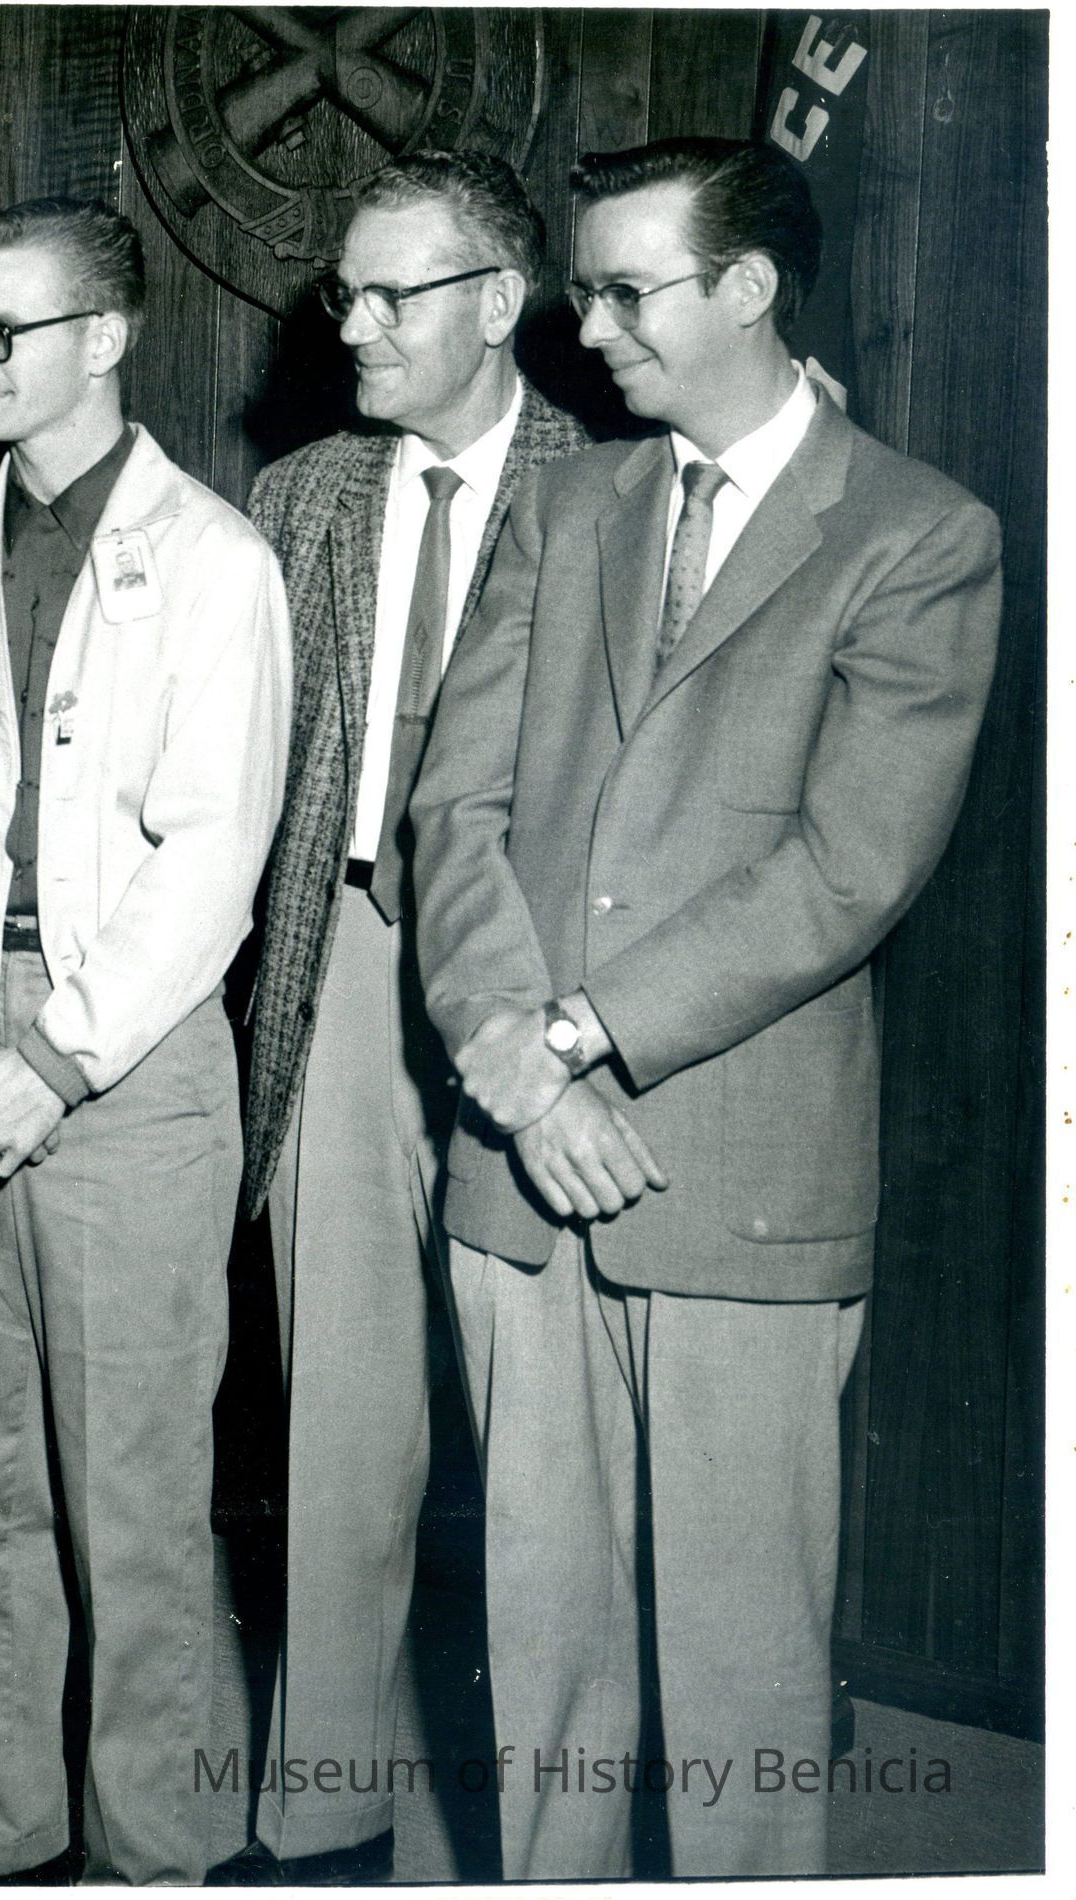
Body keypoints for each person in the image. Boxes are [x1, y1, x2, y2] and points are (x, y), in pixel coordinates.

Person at [410, 136, 1001, 1879]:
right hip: (521, 1167)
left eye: (623, 291)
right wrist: (519, 1064)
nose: (585, 329)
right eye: (582, 289)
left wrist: (578, 1035)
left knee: (744, 1675)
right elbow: (453, 807)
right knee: (542, 1649)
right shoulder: (562, 506)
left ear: (747, 289)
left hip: (738, 1176)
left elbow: (849, 867)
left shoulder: (916, 534)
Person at [0, 199, 291, 1884]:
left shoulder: (218, 561)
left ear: (107, 338)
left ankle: (155, 1850)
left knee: (136, 1496)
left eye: (2, 329)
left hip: (132, 1059)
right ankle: (1, 1839)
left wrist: (58, 1059)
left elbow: (215, 852)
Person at [218, 152, 589, 1885]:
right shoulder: (301, 497)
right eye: (343, 293)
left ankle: (557, 1840)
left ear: (498, 302)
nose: (354, 324)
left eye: (392, 293)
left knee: (543, 1442)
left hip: (539, 1001)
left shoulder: (616, 485)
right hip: (347, 968)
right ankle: (326, 1813)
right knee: (341, 1422)